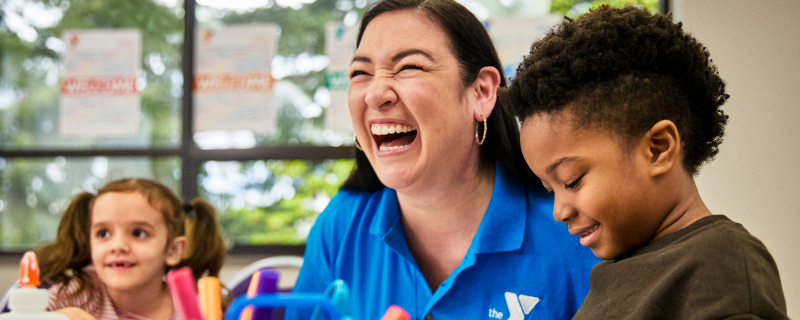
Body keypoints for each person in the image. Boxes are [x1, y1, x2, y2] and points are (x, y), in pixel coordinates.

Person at [287, 0, 600, 319]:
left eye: (409, 67)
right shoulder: (342, 223)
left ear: (481, 92)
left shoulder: (573, 230)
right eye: (360, 73)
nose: (374, 94)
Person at [499, 5, 789, 319]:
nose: (560, 211)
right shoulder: (619, 269)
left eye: (572, 181)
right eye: (549, 189)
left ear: (658, 149)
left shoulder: (720, 266)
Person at [35, 178, 227, 320]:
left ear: (173, 250)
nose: (118, 246)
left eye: (139, 233)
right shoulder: (79, 293)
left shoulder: (196, 307)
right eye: (103, 234)